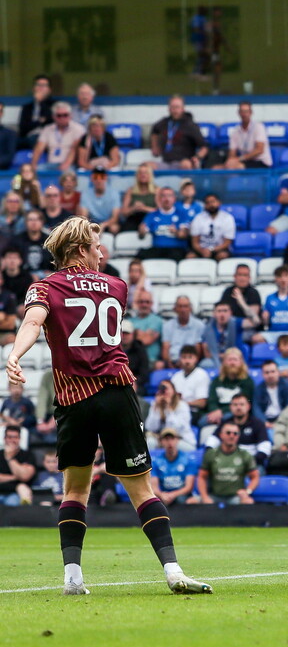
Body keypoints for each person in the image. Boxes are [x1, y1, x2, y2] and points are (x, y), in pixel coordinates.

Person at [4, 216, 210, 594]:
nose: (103, 253)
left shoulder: (44, 287)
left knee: (75, 490)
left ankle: (73, 579)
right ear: (82, 249)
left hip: (73, 399)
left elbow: (34, 322)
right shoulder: (117, 286)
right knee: (142, 490)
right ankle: (174, 571)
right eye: (97, 246)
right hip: (116, 394)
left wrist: (15, 355)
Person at [191, 422, 259, 505]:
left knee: (249, 502)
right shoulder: (211, 454)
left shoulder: (245, 455)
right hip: (214, 496)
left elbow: (255, 477)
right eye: (228, 433)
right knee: (191, 501)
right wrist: (205, 497)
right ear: (221, 435)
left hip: (235, 497)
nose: (231, 436)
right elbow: (202, 477)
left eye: (235, 433)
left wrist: (247, 491)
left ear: (238, 436)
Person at [205, 393, 272, 468]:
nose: (238, 407)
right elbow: (212, 441)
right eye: (235, 405)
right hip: (228, 462)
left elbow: (265, 448)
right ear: (230, 407)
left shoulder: (258, 424)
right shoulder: (225, 423)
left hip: (251, 464)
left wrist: (248, 462)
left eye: (242, 404)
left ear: (248, 406)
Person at [149, 95, 208, 169]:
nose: (175, 110)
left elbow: (204, 147)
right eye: (172, 107)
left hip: (182, 162)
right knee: (146, 166)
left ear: (183, 108)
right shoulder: (164, 123)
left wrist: (196, 158)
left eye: (177, 107)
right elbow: (154, 130)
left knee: (186, 165)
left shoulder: (190, 125)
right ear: (169, 108)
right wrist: (155, 147)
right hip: (165, 162)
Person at [204, 347, 255, 427]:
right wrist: (215, 411)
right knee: (202, 421)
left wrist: (221, 412)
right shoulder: (216, 381)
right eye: (229, 360)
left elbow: (246, 402)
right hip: (216, 414)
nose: (232, 363)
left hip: (237, 413)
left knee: (228, 418)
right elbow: (211, 401)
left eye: (235, 360)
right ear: (224, 362)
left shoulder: (247, 381)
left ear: (241, 362)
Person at [138, 186, 190, 261]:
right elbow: (141, 235)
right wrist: (141, 231)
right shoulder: (152, 215)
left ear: (174, 199)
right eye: (163, 196)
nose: (166, 199)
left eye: (169, 196)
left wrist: (176, 232)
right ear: (159, 199)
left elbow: (184, 235)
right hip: (157, 248)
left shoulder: (182, 213)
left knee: (177, 255)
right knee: (141, 254)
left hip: (176, 248)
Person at [144, 381, 196, 452]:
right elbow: (150, 427)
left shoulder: (182, 405)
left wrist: (169, 408)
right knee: (150, 442)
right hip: (162, 439)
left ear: (174, 391)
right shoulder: (155, 405)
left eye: (166, 388)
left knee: (172, 444)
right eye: (162, 388)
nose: (164, 391)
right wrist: (157, 407)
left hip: (181, 439)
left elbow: (176, 428)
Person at [150, 429, 198, 506]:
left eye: (172, 438)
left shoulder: (188, 459)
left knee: (184, 500)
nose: (169, 442)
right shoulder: (156, 461)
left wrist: (173, 494)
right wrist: (161, 495)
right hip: (164, 496)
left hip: (183, 495)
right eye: (166, 439)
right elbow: (154, 487)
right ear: (161, 442)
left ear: (177, 440)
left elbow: (189, 487)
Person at [33, 101, 84, 171]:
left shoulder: (79, 129)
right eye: (59, 116)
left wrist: (66, 164)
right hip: (50, 164)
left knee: (68, 174)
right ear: (53, 117)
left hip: (70, 164)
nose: (62, 118)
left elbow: (74, 149)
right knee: (35, 170)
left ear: (70, 115)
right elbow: (38, 149)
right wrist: (33, 165)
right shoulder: (47, 129)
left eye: (65, 115)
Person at [218, 264, 262, 341]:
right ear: (234, 276)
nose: (242, 278)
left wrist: (241, 302)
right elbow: (223, 313)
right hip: (230, 326)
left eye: (245, 275)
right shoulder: (228, 292)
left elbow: (254, 319)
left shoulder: (253, 293)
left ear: (249, 278)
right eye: (240, 275)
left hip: (248, 329)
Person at [222, 101, 271, 169]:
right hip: (245, 161)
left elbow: (259, 150)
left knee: (236, 167)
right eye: (242, 111)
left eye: (246, 111)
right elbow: (232, 152)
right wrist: (231, 160)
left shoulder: (258, 127)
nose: (244, 114)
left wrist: (239, 159)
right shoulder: (236, 131)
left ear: (251, 113)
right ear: (238, 113)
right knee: (217, 168)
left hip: (260, 162)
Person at [190, 192, 236, 261]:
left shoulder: (227, 218)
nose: (211, 205)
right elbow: (195, 242)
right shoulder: (198, 218)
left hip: (220, 249)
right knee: (190, 256)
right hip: (202, 249)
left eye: (213, 202)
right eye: (208, 203)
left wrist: (211, 250)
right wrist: (202, 250)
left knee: (222, 255)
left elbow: (227, 242)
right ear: (205, 205)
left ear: (219, 203)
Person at [161, 296, 205, 367]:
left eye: (185, 306)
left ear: (190, 308)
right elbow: (165, 348)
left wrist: (191, 363)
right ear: (175, 309)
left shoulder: (199, 325)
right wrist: (170, 365)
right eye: (180, 306)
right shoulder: (167, 326)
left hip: (191, 361)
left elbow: (198, 348)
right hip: (173, 361)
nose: (183, 309)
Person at [171, 344, 211, 423]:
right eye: (184, 357)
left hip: (194, 412)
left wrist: (183, 403)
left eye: (190, 357)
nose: (187, 361)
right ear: (180, 359)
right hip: (176, 411)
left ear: (196, 359)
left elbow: (202, 403)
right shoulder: (176, 377)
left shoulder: (201, 374)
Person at [0, 425, 35, 506]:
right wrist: (16, 476)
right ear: (4, 438)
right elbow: (21, 476)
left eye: (15, 437)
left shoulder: (27, 455)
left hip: (16, 494)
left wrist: (10, 458)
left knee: (13, 503)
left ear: (19, 439)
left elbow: (25, 476)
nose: (12, 440)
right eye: (9, 437)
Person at [78, 167, 121, 233]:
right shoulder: (85, 194)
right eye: (95, 177)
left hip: (108, 222)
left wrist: (103, 225)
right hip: (92, 222)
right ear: (92, 179)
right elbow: (84, 217)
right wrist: (93, 227)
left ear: (106, 178)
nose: (98, 180)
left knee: (114, 228)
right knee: (82, 228)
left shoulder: (114, 193)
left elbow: (115, 218)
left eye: (102, 177)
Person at [13, 210, 53, 278]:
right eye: (30, 220)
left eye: (37, 219)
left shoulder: (50, 240)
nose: (34, 223)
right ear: (26, 222)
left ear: (42, 222)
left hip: (47, 276)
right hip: (23, 277)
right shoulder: (17, 240)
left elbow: (55, 261)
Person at [129, 290, 163, 368]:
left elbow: (146, 341)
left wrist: (135, 333)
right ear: (137, 303)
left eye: (147, 302)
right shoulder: (130, 320)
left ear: (152, 304)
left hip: (151, 362)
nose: (144, 305)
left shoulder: (157, 320)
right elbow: (125, 341)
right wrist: (143, 334)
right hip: (133, 361)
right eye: (141, 302)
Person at [252, 360, 288, 425]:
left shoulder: (287, 387)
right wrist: (264, 422)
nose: (270, 375)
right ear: (262, 374)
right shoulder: (258, 389)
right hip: (264, 420)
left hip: (283, 420)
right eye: (267, 373)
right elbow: (256, 408)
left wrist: (279, 422)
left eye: (273, 372)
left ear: (278, 372)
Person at [120, 163, 157, 232]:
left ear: (150, 175)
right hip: (134, 218)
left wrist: (143, 208)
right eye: (140, 173)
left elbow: (161, 211)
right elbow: (124, 212)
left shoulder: (157, 190)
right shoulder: (130, 191)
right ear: (137, 175)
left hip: (151, 218)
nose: (143, 175)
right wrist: (134, 208)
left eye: (145, 172)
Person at [18, 74, 53, 144]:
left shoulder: (54, 104)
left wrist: (41, 102)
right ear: (33, 88)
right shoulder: (27, 107)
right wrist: (40, 121)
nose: (41, 88)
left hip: (48, 137)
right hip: (29, 138)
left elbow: (51, 122)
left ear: (49, 90)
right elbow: (23, 128)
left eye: (44, 85)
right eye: (38, 85)